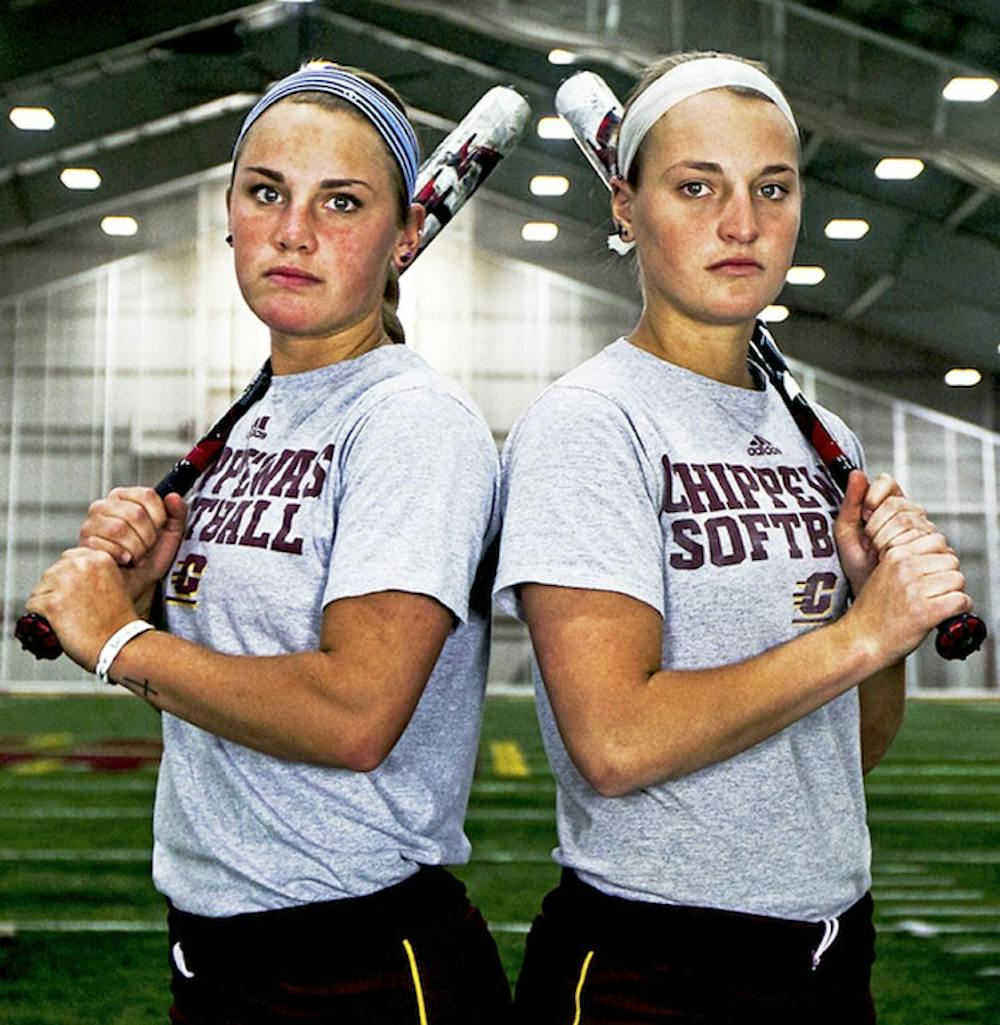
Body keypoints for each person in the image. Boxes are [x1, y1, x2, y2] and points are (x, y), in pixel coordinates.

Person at [26, 61, 511, 1024]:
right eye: (266, 193)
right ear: (229, 216)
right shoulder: (258, 421)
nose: (294, 231)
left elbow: (355, 714)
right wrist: (148, 593)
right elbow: (239, 664)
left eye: (342, 202)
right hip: (220, 949)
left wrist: (119, 642)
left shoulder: (411, 423)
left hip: (360, 966)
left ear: (404, 236)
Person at [494, 51, 972, 1024]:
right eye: (696, 186)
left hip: (827, 948)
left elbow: (850, 748)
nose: (742, 223)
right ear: (625, 207)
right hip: (652, 967)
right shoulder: (590, 424)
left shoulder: (819, 437)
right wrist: (859, 635)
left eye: (772, 187)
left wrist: (881, 621)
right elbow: (614, 741)